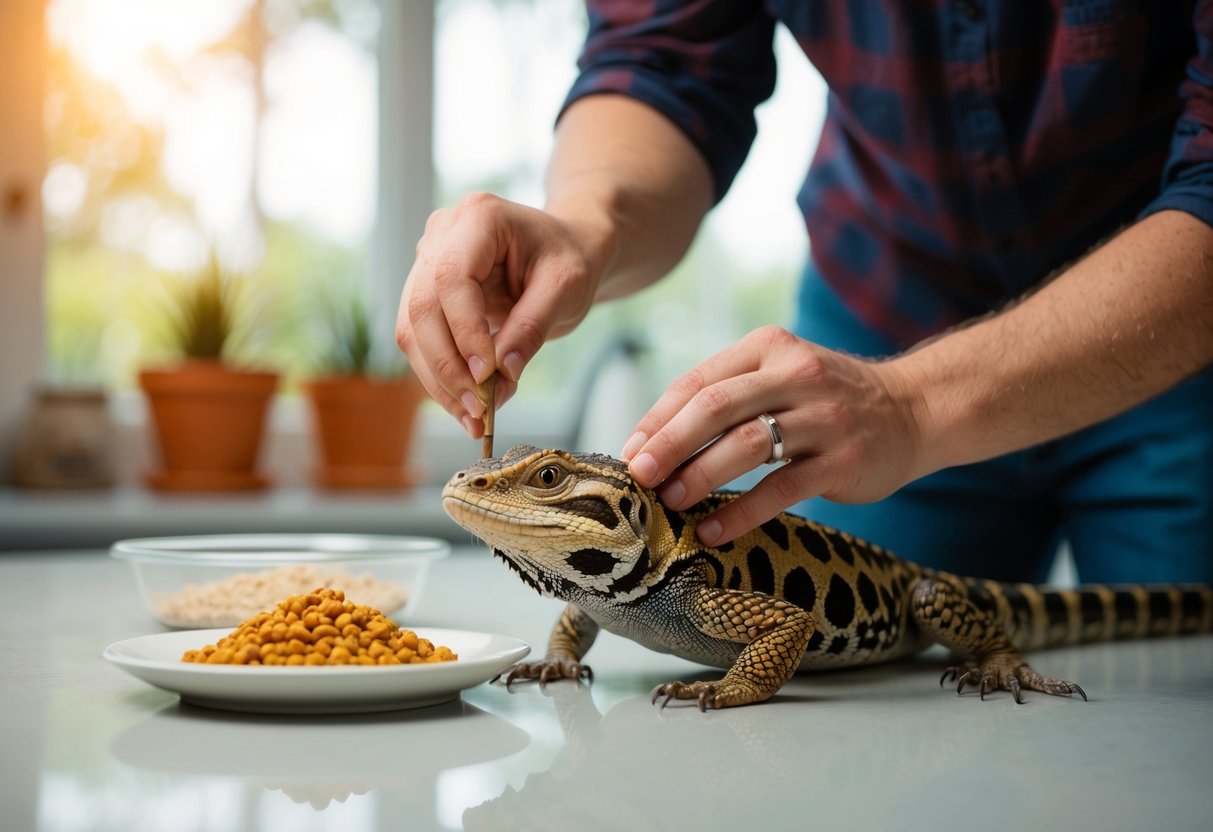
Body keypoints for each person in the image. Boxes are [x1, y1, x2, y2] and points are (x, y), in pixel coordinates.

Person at [397, 2, 1213, 584]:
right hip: (878, 323)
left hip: (1173, 344)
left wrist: (912, 407)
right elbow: (663, 59)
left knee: (1172, 719)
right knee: (862, 749)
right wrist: (583, 221)